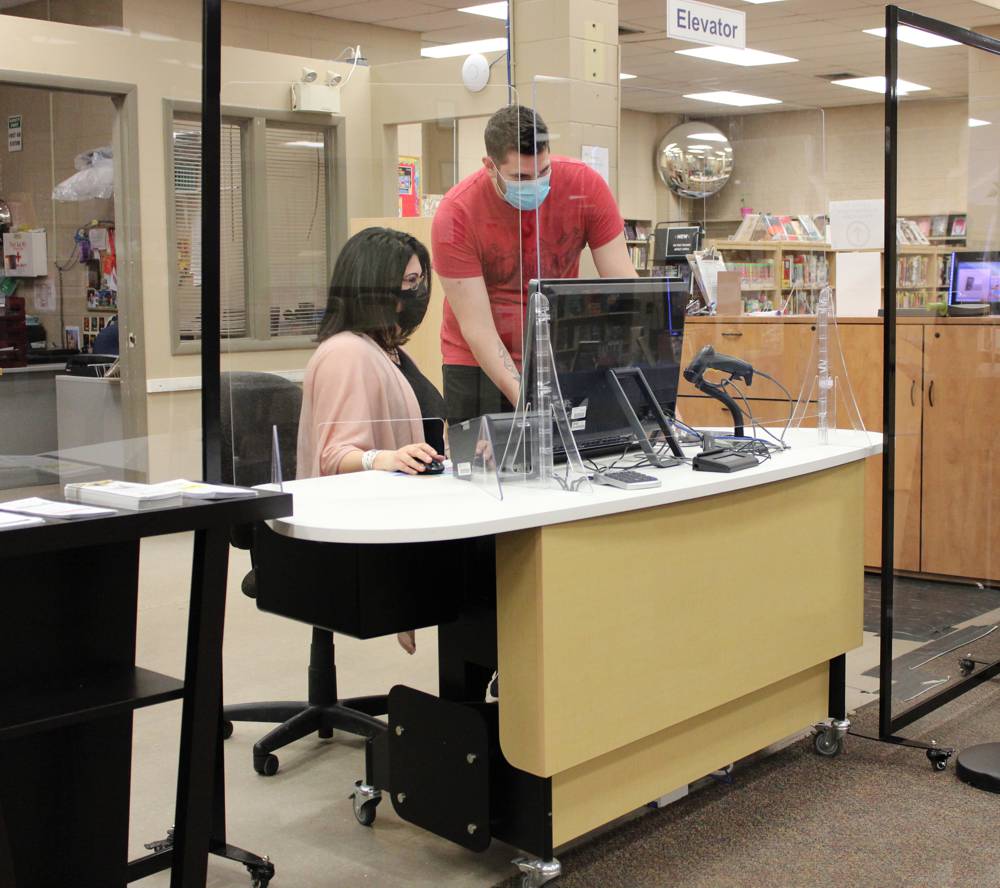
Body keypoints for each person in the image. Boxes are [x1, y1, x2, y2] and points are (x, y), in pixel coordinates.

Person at [432, 104, 639, 425]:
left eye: (543, 172)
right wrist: (528, 402)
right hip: (476, 364)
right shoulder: (456, 213)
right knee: (486, 469)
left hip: (554, 356)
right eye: (520, 177)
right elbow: (478, 329)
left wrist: (646, 383)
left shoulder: (585, 186)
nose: (535, 184)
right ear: (489, 166)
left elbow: (626, 289)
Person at [298, 227, 447, 655]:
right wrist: (385, 459)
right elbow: (334, 456)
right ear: (371, 285)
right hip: (354, 538)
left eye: (420, 283)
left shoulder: (386, 349)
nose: (416, 295)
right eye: (407, 284)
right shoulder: (346, 353)